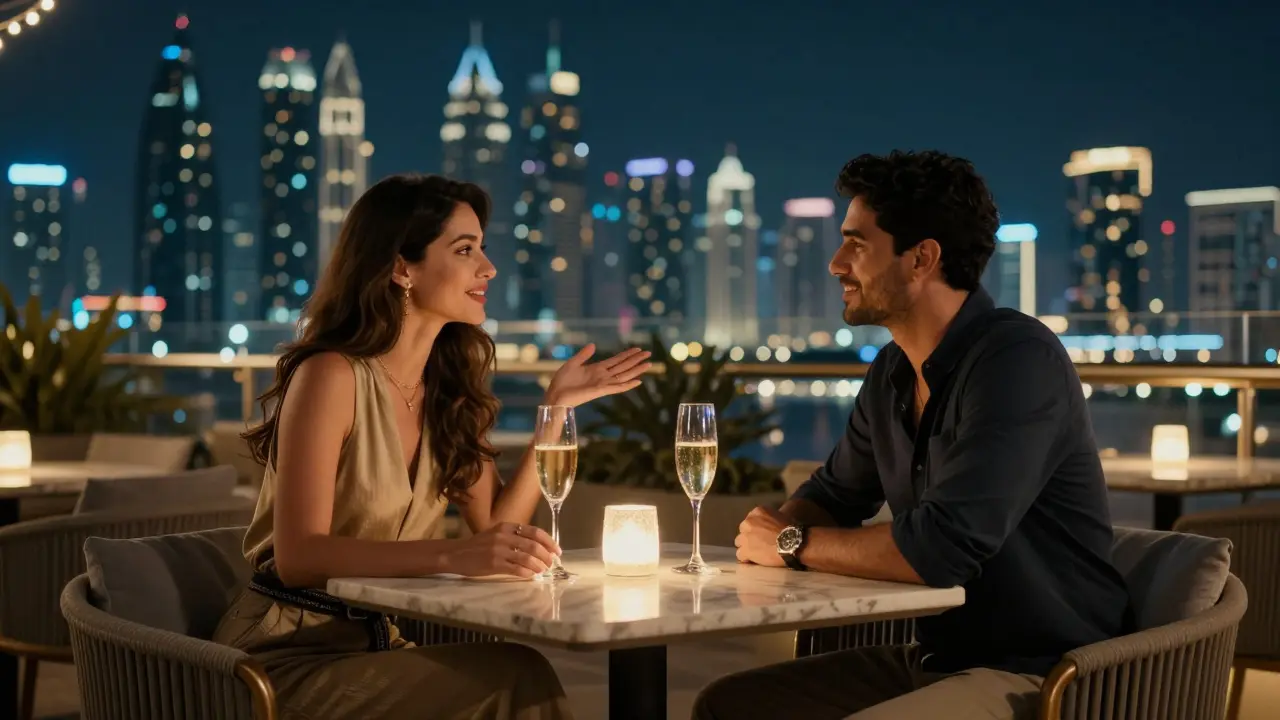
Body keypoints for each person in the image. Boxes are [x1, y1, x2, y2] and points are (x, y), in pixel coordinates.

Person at [695, 151, 1132, 719]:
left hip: (1047, 676)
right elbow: (835, 494)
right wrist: (777, 530)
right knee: (728, 706)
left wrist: (790, 544)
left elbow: (941, 548)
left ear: (922, 258)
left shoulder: (1018, 361)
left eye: (856, 245)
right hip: (936, 660)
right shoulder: (892, 371)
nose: (835, 264)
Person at [213, 173, 651, 720]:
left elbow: (494, 529)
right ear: (402, 268)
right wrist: (451, 556)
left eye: (482, 249)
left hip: (376, 646)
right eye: (465, 250)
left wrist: (555, 410)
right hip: (281, 659)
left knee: (519, 670)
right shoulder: (331, 376)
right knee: (517, 679)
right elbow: (300, 557)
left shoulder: (445, 391)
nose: (488, 268)